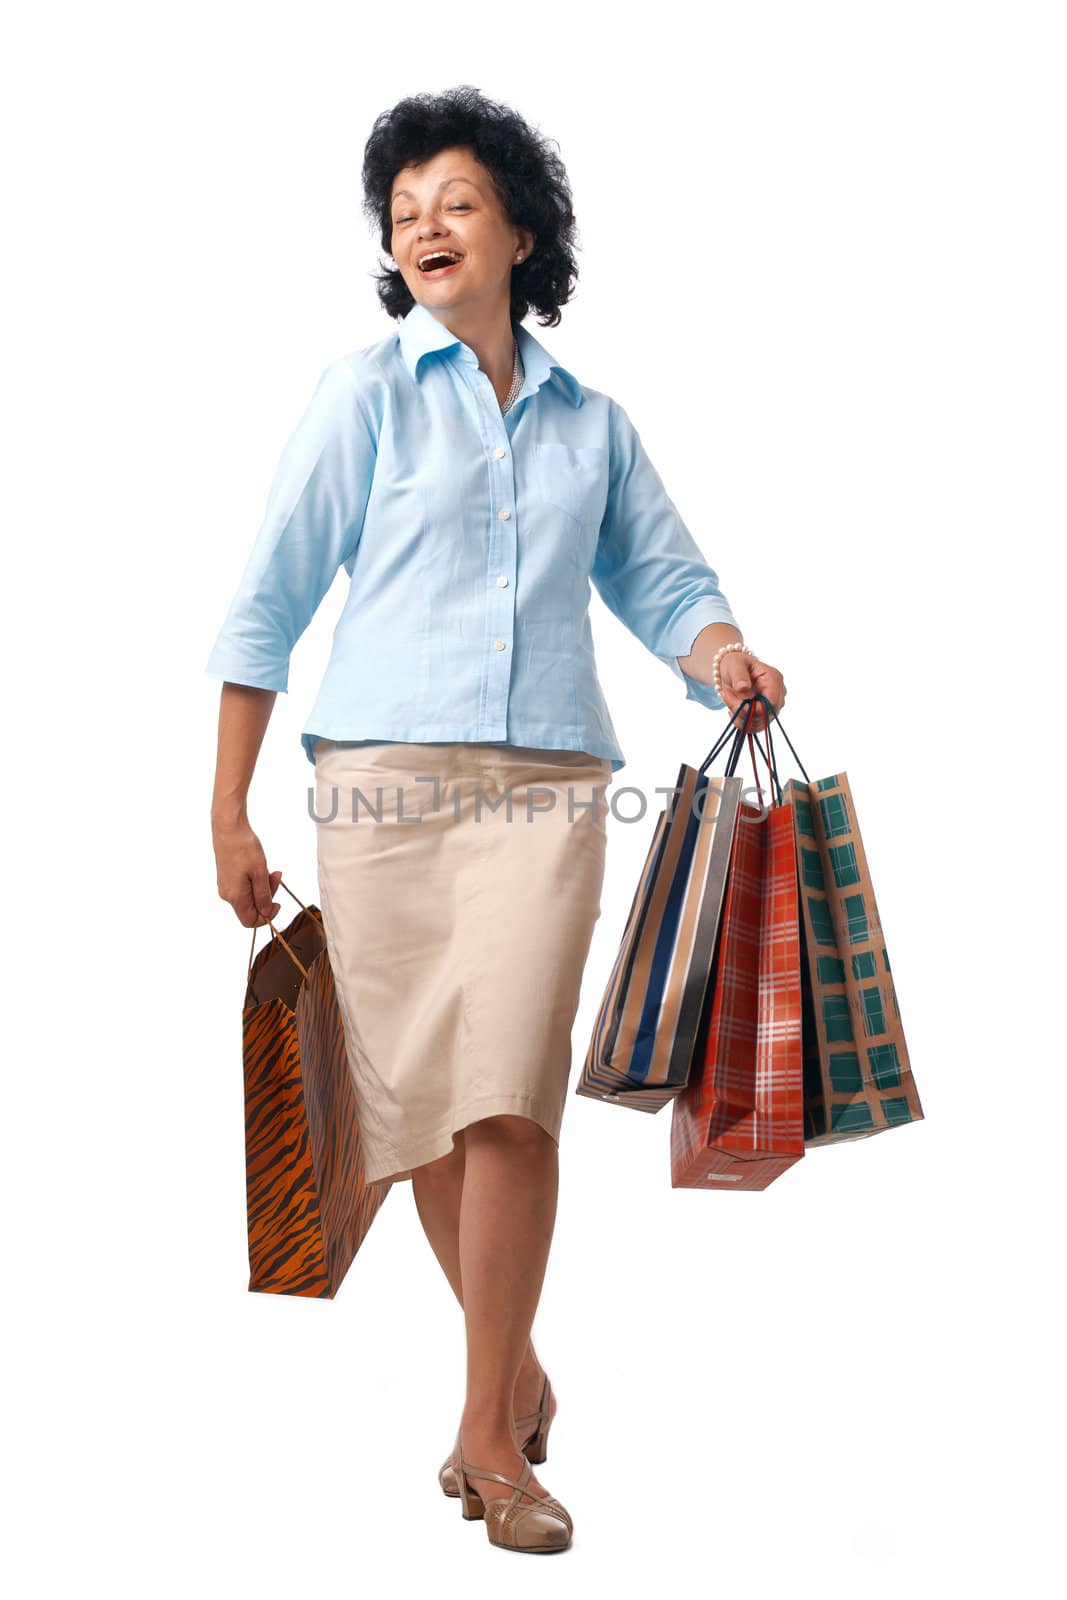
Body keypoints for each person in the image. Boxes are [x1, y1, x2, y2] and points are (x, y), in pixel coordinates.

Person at [206, 85, 787, 1554]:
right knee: (410, 1122)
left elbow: (662, 578)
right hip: (379, 794)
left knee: (510, 1090)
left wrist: (720, 655)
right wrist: (228, 808)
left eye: (454, 200)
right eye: (403, 213)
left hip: (543, 793)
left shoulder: (595, 424)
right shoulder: (360, 395)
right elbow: (268, 605)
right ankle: (517, 1373)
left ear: (523, 230)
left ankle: (484, 1442)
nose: (424, 226)